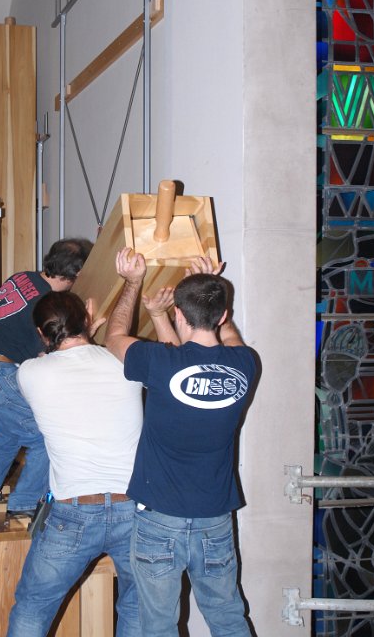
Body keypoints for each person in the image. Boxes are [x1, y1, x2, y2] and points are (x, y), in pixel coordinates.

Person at [105, 248, 257, 637]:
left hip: (159, 519)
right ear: (222, 315)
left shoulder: (160, 363)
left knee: (158, 626)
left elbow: (114, 337)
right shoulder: (245, 365)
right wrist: (215, 287)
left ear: (178, 314)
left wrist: (133, 283)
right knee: (227, 619)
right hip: (215, 520)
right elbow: (232, 339)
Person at [6, 290, 143, 637]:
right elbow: (97, 360)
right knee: (139, 609)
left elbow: (65, 366)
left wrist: (85, 336)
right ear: (86, 319)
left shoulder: (30, 373)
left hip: (72, 512)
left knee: (33, 608)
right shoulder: (127, 362)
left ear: (41, 333)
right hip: (136, 509)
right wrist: (95, 338)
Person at [0, 238, 93, 516]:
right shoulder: (46, 304)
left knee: (7, 436)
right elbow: (50, 354)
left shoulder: (22, 278)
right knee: (46, 436)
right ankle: (25, 505)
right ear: (76, 275)